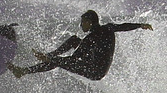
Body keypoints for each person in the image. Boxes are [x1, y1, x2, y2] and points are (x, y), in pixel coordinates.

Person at [8, 10, 152, 80]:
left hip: (95, 72)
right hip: (94, 63)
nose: (81, 24)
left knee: (60, 61)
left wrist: (52, 60)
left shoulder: (91, 38)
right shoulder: (107, 28)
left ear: (89, 22)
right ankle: (49, 56)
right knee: (74, 40)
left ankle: (24, 71)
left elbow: (73, 59)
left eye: (83, 22)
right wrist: (140, 25)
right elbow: (123, 26)